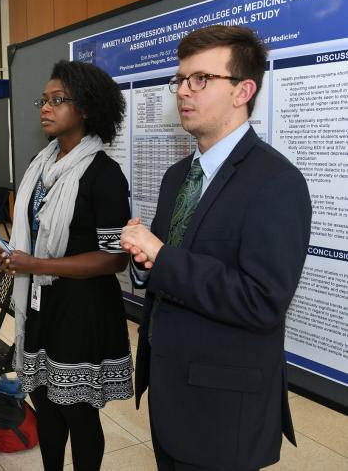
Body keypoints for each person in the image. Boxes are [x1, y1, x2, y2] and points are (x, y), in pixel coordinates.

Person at [120, 25, 311, 470]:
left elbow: (263, 301)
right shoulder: (177, 177)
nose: (184, 92)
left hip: (223, 409)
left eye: (201, 79)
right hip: (169, 389)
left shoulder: (276, 183)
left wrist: (163, 257)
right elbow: (168, 270)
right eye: (180, 80)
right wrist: (147, 262)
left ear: (243, 90)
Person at [0, 60, 132, 470]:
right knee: (45, 407)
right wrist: (12, 256)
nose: (45, 109)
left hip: (83, 311)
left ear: (86, 108)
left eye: (58, 100)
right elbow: (31, 235)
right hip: (39, 304)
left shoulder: (104, 175)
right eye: (44, 100)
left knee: (79, 415)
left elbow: (114, 258)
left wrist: (34, 262)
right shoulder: (41, 165)